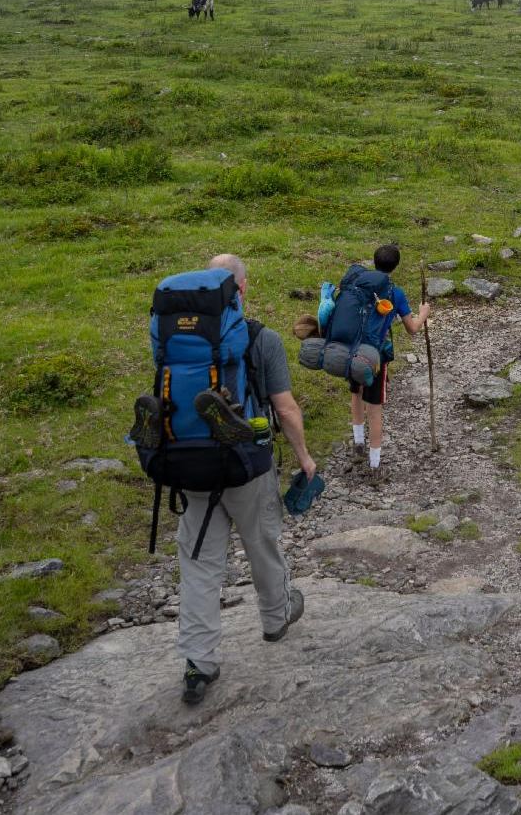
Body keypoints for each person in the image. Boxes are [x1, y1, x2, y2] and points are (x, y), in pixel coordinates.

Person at [169, 253, 315, 707]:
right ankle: (275, 619)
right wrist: (305, 458)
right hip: (248, 463)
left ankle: (199, 661)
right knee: (262, 541)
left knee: (199, 562)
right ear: (243, 288)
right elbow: (286, 408)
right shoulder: (261, 338)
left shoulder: (177, 338)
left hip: (190, 464)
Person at [323, 244, 430, 484]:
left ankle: (358, 444)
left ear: (375, 262)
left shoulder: (358, 285)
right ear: (396, 266)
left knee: (356, 392)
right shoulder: (395, 292)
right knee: (375, 406)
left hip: (350, 349)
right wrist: (424, 313)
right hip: (375, 358)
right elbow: (412, 328)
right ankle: (375, 466)